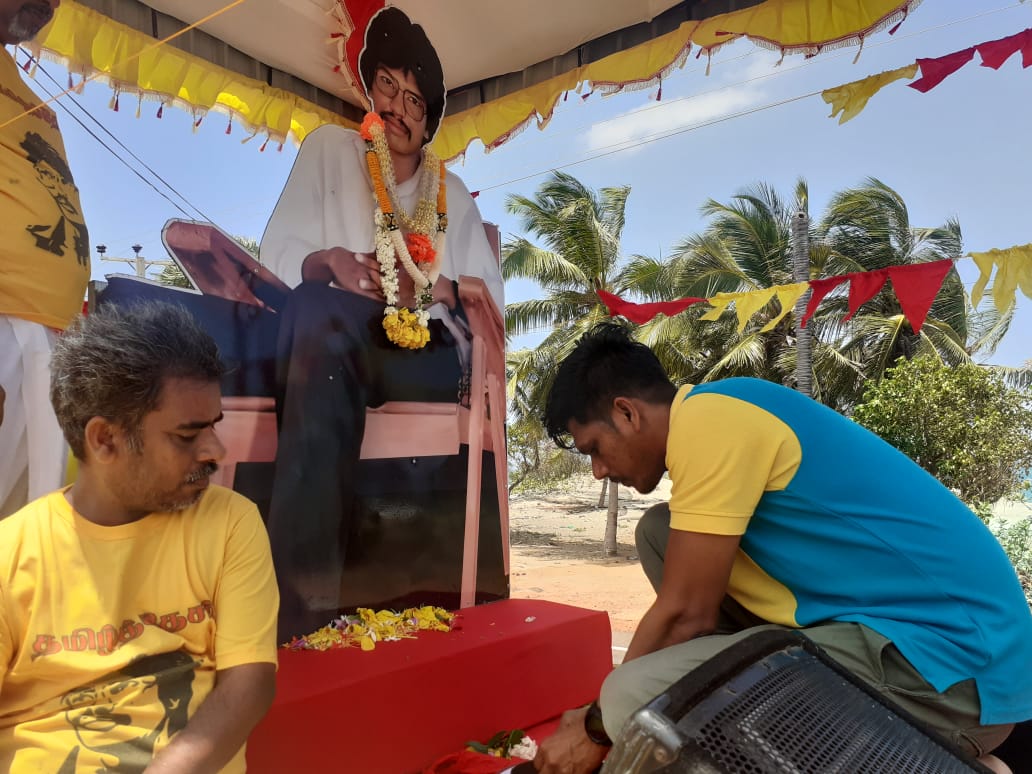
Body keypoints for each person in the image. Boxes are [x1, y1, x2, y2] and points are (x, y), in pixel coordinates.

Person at [533, 323, 1032, 774]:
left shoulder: (711, 420)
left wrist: (597, 726)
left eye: (594, 449)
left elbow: (686, 613)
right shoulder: (722, 411)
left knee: (631, 698)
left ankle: (928, 759)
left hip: (952, 671)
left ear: (626, 413)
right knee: (658, 532)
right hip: (908, 644)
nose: (598, 471)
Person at [259, 7, 503, 632]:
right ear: (371, 89)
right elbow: (277, 254)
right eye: (389, 86)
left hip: (428, 355)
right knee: (313, 310)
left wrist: (437, 285)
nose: (398, 106)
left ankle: (303, 601)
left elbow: (491, 305)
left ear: (430, 118)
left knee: (319, 321)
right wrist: (328, 262)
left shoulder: (452, 193)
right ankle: (303, 601)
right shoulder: (328, 151)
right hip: (334, 334)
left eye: (415, 100)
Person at [0, 302, 280, 772]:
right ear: (105, 440)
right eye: (186, 436)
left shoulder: (229, 522)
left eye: (214, 426)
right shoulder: (12, 553)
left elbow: (249, 684)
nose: (216, 451)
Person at [1, 0, 91, 518]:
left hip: (51, 334)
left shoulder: (24, 87)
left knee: (27, 526)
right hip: (4, 320)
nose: (51, 3)